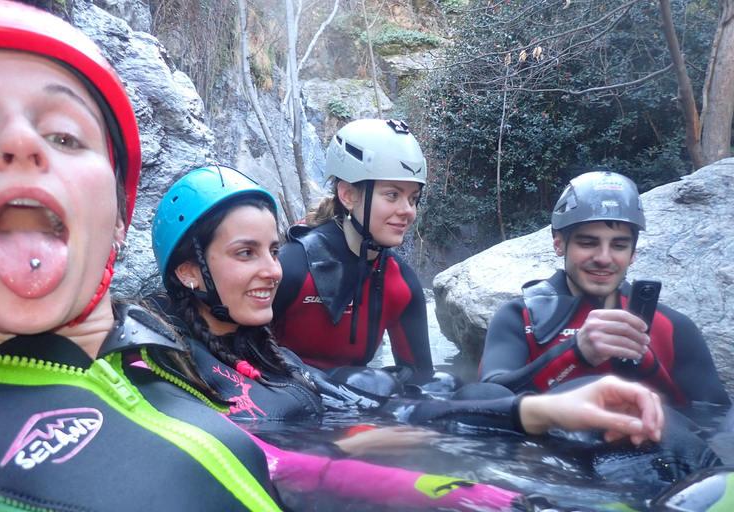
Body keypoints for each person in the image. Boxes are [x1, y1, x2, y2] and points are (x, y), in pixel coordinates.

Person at [0, 3, 283, 511]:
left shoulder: (153, 358)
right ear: (188, 272)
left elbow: (269, 461)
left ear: (118, 220)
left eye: (65, 136)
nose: (20, 140)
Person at [150, 165, 666, 444]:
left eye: (271, 249)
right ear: (190, 271)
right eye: (247, 253)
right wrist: (340, 450)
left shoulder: (272, 358)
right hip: (302, 449)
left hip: (330, 413)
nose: (272, 268)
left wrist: (538, 410)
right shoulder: (151, 354)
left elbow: (399, 394)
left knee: (401, 386)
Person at [478, 171, 731, 407]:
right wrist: (576, 352)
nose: (603, 258)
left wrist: (645, 364)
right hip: (545, 452)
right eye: (588, 243)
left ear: (633, 253)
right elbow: (485, 402)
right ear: (559, 245)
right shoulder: (517, 317)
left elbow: (714, 420)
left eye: (619, 246)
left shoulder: (673, 327)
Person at [271, 118, 433, 371]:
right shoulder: (291, 266)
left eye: (413, 198)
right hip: (280, 396)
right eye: (392, 195)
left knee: (448, 384)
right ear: (347, 195)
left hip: (349, 403)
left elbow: (422, 380)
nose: (407, 211)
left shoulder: (402, 283)